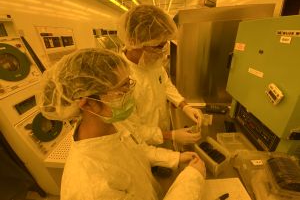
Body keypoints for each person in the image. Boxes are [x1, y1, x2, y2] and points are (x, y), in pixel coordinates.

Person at [36, 49, 206, 200]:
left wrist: (175, 157)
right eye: (123, 88)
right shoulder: (88, 185)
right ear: (88, 103)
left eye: (128, 84)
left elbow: (137, 150)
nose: (130, 93)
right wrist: (192, 178)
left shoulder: (112, 124)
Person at [117, 5, 204, 147]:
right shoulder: (119, 79)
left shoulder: (151, 63)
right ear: (134, 42)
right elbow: (132, 130)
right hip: (142, 148)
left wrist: (184, 105)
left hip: (163, 135)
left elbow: (165, 84)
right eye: (157, 46)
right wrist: (173, 135)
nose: (162, 52)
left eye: (164, 45)